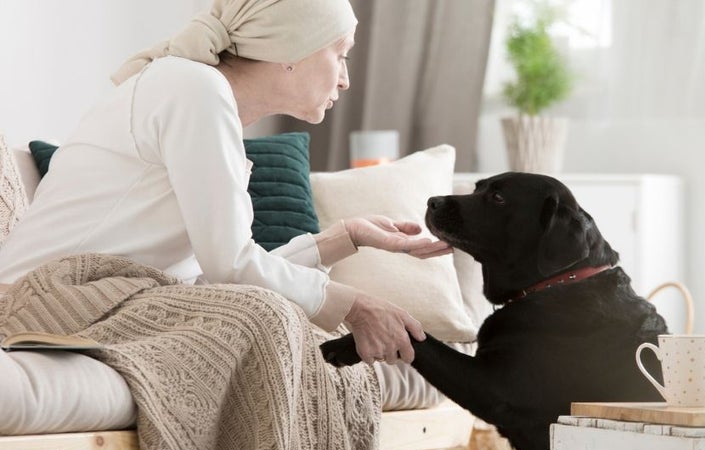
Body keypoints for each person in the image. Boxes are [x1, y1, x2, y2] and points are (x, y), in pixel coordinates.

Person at [0, 0, 452, 369]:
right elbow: (231, 267)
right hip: (42, 301)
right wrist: (355, 306)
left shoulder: (201, 95)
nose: (346, 78)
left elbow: (219, 272)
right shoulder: (192, 89)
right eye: (341, 53)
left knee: (272, 317)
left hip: (98, 295)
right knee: (267, 320)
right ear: (292, 49)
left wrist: (344, 238)